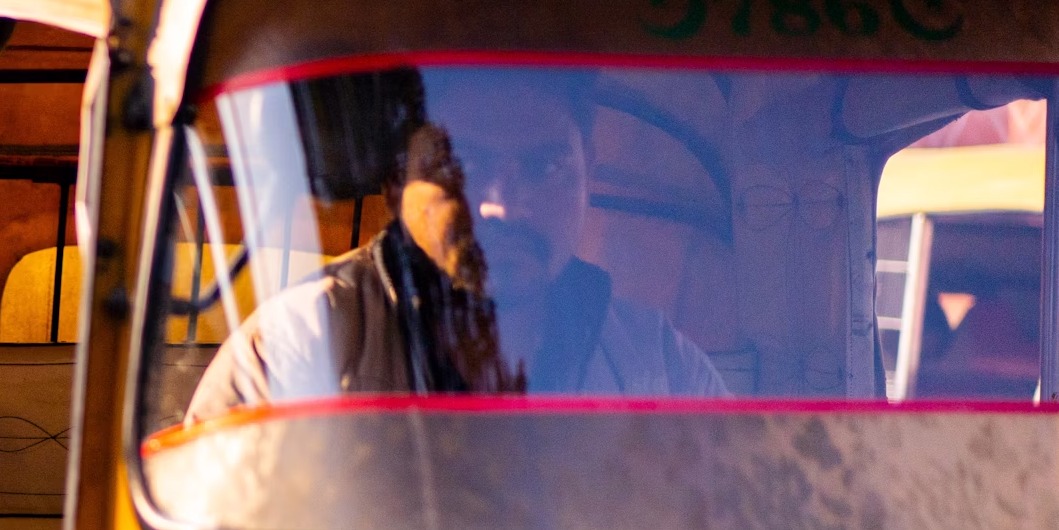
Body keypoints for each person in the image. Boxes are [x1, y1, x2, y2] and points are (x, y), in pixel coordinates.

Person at [190, 67, 726, 417]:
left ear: (590, 172)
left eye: (545, 166)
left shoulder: (661, 372)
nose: (501, 205)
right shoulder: (295, 349)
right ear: (396, 179)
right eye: (461, 165)